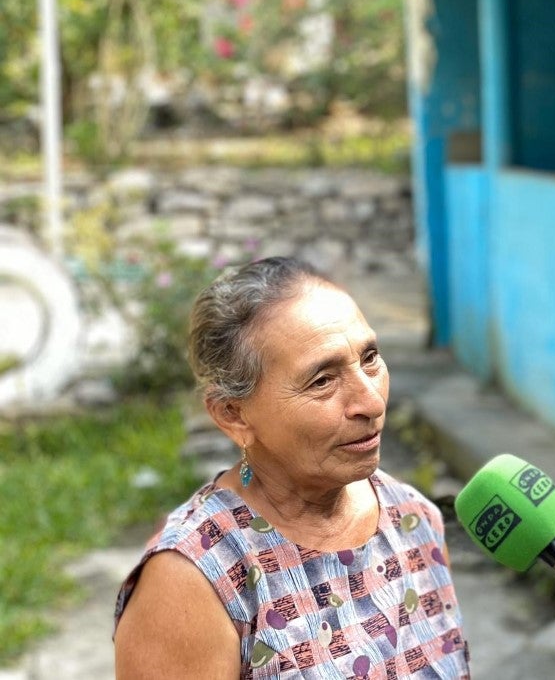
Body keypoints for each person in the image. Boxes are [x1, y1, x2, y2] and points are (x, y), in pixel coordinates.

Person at [114, 256, 470, 679]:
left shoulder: (414, 520)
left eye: (370, 357)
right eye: (322, 381)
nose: (372, 402)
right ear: (233, 415)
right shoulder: (194, 581)